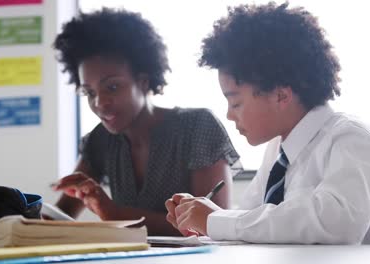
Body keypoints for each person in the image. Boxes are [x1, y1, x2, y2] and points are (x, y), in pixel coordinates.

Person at [165, 2, 370, 244]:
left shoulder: (351, 138)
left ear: (281, 96)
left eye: (235, 103)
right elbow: (252, 220)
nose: (229, 115)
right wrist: (205, 222)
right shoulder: (277, 153)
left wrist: (218, 219)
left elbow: (338, 224)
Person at [51, 8, 241, 235]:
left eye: (112, 87)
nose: (99, 103)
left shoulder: (197, 127)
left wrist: (113, 213)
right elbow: (52, 221)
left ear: (143, 81)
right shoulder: (100, 140)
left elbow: (212, 224)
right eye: (89, 92)